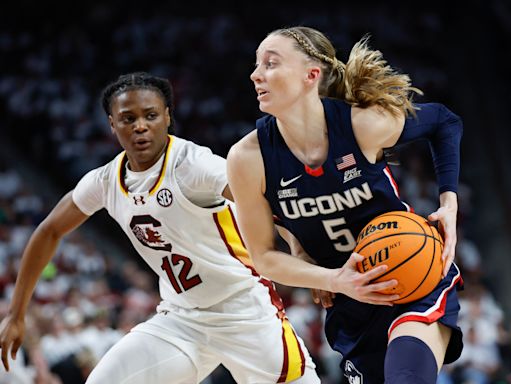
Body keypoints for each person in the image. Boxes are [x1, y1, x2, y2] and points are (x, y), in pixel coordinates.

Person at [0, 72, 320, 384]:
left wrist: (302, 251)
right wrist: (16, 314)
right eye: (127, 118)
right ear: (112, 124)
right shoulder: (104, 181)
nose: (140, 125)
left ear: (167, 117)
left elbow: (267, 200)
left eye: (150, 115)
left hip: (244, 312)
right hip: (182, 319)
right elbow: (49, 231)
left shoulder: (194, 165)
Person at [226, 26, 464, 384]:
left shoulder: (362, 125)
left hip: (413, 277)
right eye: (256, 65)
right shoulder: (247, 158)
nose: (255, 74)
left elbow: (444, 122)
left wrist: (449, 203)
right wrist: (330, 276)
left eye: (271, 63)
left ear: (311, 75)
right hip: (349, 303)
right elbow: (263, 257)